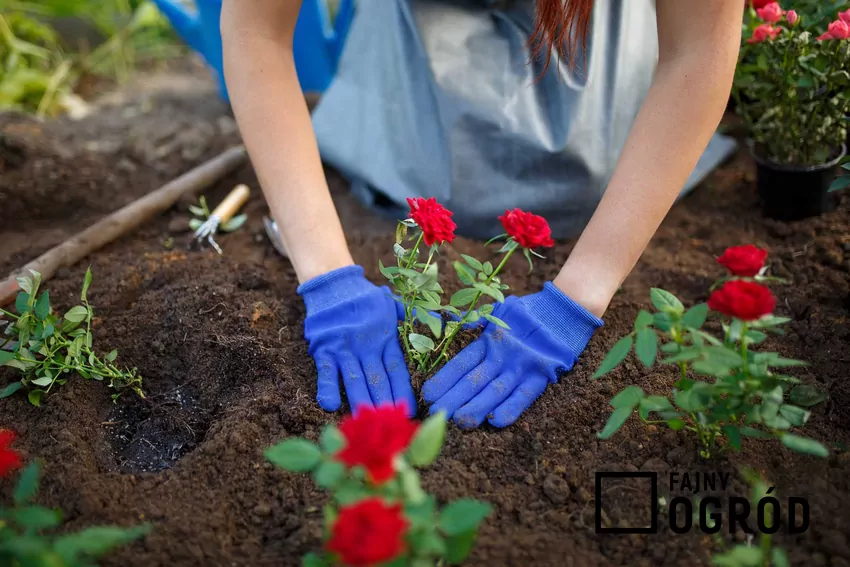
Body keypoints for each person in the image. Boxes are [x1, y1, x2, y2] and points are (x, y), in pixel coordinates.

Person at [220, 0, 743, 428]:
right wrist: (326, 276)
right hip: (412, 60)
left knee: (589, 178)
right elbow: (254, 30)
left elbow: (698, 48)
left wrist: (579, 295)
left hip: (585, 57)